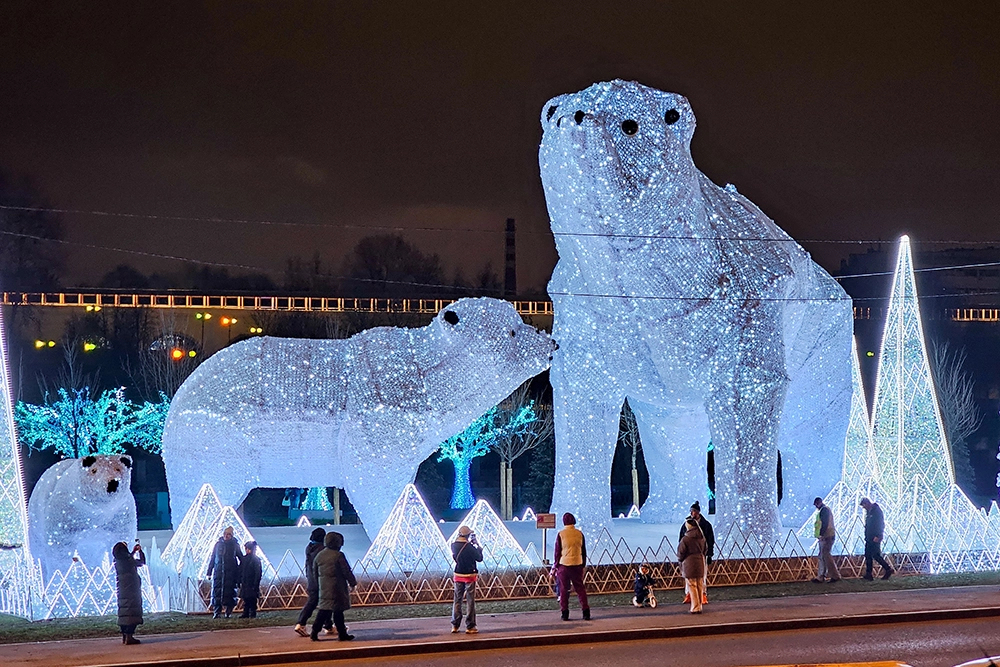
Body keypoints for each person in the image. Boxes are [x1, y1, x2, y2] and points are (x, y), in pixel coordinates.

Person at [312, 531, 357, 641]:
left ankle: (314, 632)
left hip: (324, 589)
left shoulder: (319, 555)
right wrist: (353, 583)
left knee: (323, 611)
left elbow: (315, 572)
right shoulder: (338, 555)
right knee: (338, 612)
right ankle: (342, 634)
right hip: (337, 589)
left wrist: (319, 585)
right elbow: (346, 571)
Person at [295, 528, 333, 636]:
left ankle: (328, 626)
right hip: (321, 580)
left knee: (317, 602)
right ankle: (301, 623)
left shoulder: (309, 548)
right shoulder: (322, 550)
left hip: (311, 580)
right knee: (324, 603)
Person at [553, 512, 590, 621]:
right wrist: (583, 564)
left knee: (564, 590)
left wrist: (556, 565)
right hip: (577, 564)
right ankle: (586, 612)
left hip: (564, 565)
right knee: (580, 589)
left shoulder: (561, 534)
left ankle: (565, 613)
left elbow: (557, 552)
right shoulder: (579, 534)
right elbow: (583, 550)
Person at [678, 501, 714, 604]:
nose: (692, 513)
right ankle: (689, 594)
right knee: (689, 577)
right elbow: (681, 541)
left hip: (701, 555)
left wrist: (709, 554)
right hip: (689, 557)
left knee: (702, 576)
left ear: (698, 512)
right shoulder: (685, 525)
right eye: (691, 511)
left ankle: (702, 594)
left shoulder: (706, 525)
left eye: (694, 511)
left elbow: (710, 541)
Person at [450, 525, 484, 634]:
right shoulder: (470, 547)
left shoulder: (453, 545)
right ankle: (470, 625)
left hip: (458, 574)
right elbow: (479, 558)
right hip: (469, 575)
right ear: (468, 535)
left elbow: (455, 557)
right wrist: (477, 546)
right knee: (470, 601)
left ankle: (455, 625)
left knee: (457, 600)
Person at [113, 540, 145, 645]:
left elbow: (128, 558)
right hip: (132, 589)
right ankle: (129, 636)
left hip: (122, 589)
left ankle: (124, 636)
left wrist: (133, 552)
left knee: (124, 612)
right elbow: (141, 562)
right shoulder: (127, 559)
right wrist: (140, 551)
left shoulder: (118, 560)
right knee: (132, 612)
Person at [206, 526, 241, 618]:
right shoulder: (218, 545)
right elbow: (213, 558)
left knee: (230, 593)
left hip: (231, 574)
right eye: (225, 534)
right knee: (217, 593)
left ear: (231, 535)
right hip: (218, 573)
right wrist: (209, 572)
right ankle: (217, 612)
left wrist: (239, 571)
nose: (226, 536)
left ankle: (228, 612)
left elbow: (240, 557)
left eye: (228, 534)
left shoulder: (235, 545)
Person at [676, 519, 707, 613]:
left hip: (689, 563)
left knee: (692, 585)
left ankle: (695, 607)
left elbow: (681, 552)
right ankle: (699, 606)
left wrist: (680, 560)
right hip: (700, 562)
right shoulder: (702, 538)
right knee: (699, 585)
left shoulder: (685, 539)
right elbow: (705, 549)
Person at [860, 497, 895, 581]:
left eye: (864, 506)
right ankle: (869, 574)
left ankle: (888, 569)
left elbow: (880, 524)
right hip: (869, 537)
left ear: (867, 503)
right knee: (868, 555)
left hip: (875, 537)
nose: (864, 508)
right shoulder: (869, 511)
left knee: (875, 555)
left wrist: (879, 535)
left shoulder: (876, 511)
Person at [811, 497, 841, 583]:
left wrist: (821, 534)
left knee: (825, 556)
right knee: (823, 555)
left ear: (819, 503)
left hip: (826, 536)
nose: (816, 507)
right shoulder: (825, 510)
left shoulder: (824, 510)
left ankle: (833, 575)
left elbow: (824, 523)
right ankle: (822, 576)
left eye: (816, 505)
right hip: (828, 536)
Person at [239, 541, 263, 618]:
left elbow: (258, 573)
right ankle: (246, 613)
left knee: (252, 599)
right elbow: (240, 570)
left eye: (247, 549)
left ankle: (252, 613)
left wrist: (256, 583)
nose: (246, 550)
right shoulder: (245, 559)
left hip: (251, 582)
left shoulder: (255, 560)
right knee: (246, 599)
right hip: (246, 582)